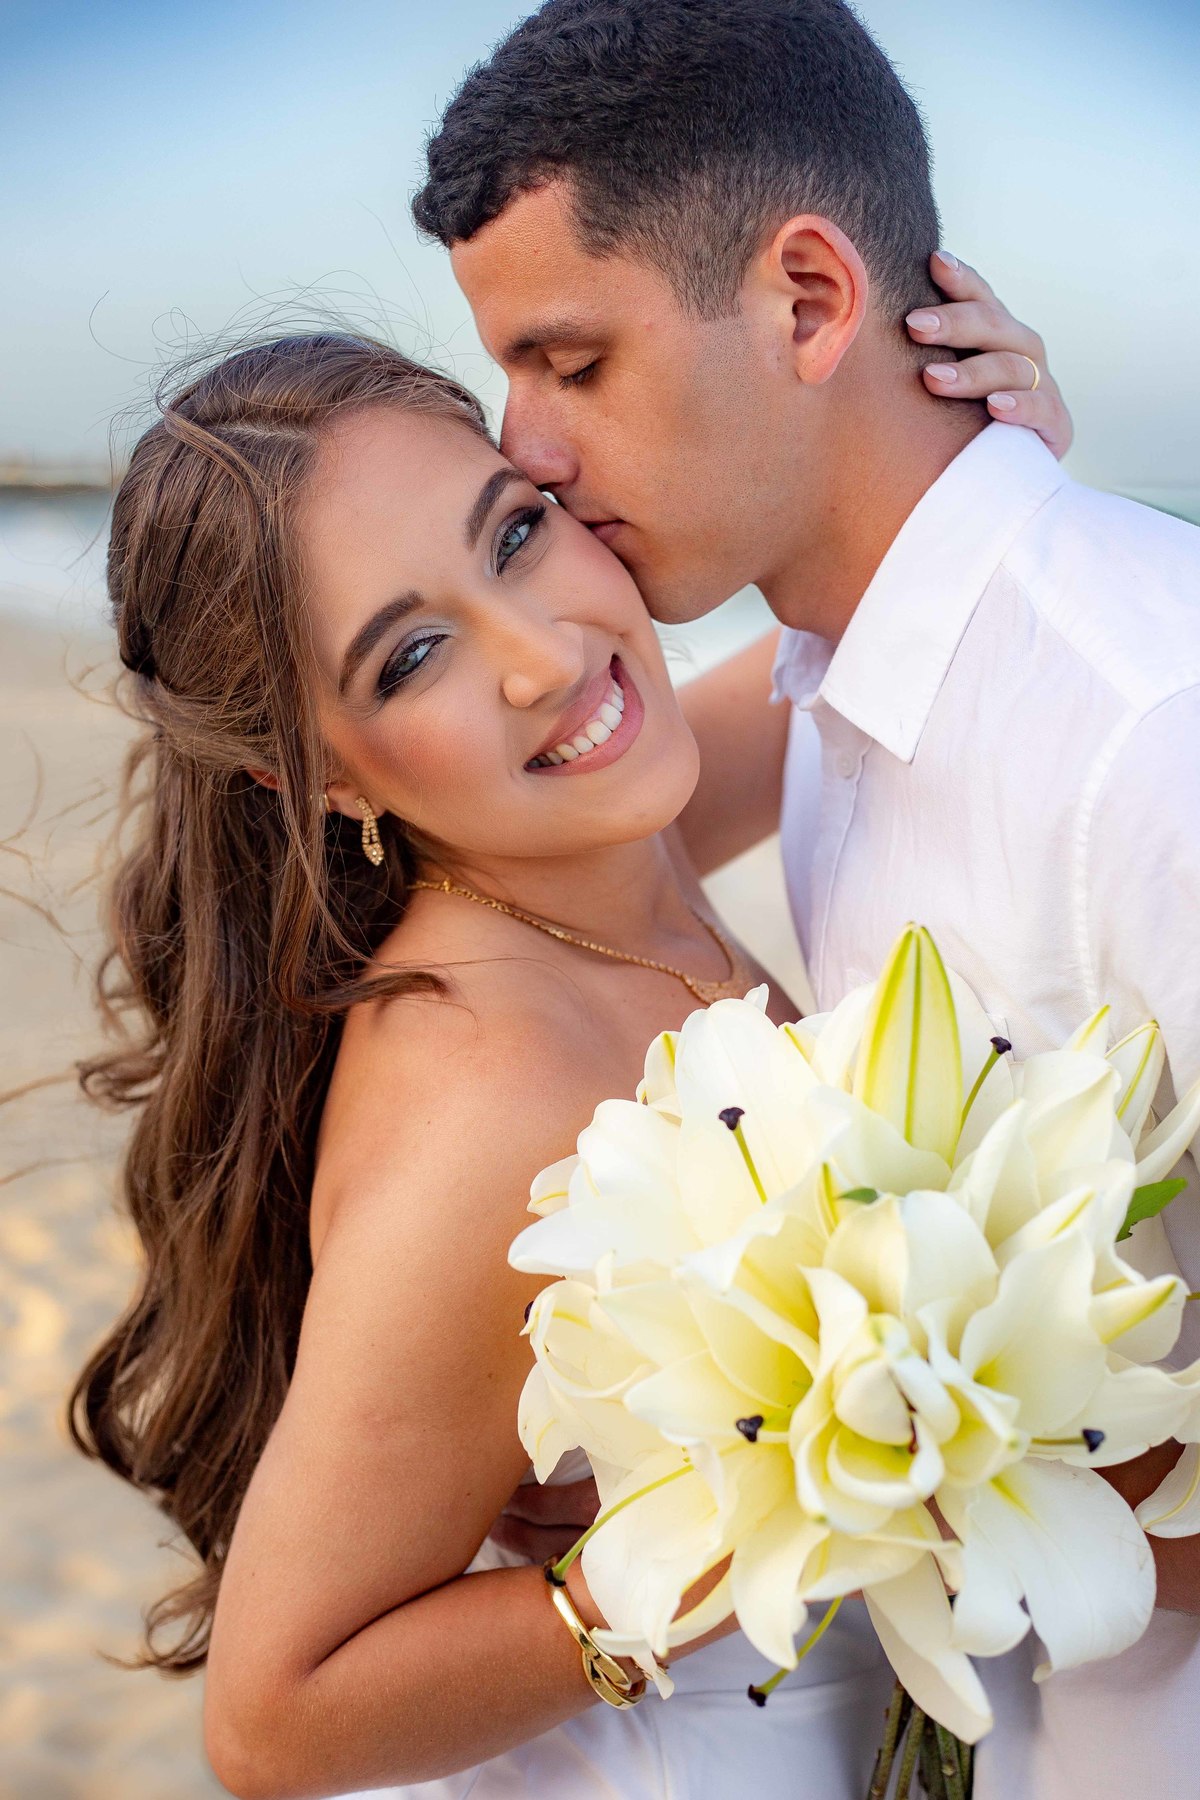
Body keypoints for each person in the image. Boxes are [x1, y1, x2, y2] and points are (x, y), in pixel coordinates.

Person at [69, 262, 1063, 1800]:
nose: (543, 656)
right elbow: (271, 1723)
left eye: (517, 536)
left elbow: (865, 656)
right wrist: (724, 1530)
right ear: (323, 779)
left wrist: (995, 469)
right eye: (412, 657)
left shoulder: (606, 835)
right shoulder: (496, 1094)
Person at [410, 1, 1200, 1795]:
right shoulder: (819, 690)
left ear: (811, 303)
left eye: (572, 363)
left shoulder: (1158, 740)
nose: (522, 448)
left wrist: (928, 1504)